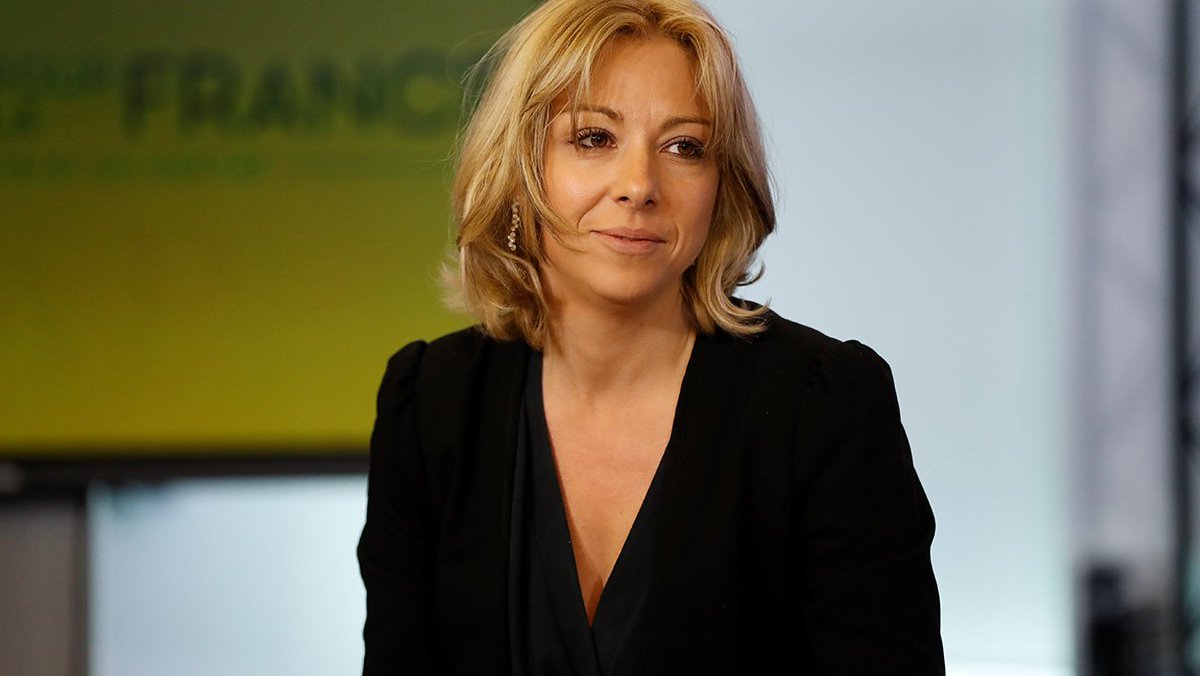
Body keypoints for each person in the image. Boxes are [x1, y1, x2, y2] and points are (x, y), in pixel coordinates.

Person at [357, 0, 944, 673]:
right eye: (594, 138)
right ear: (519, 168)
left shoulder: (824, 407)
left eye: (684, 147)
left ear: (720, 186)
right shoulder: (431, 404)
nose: (639, 186)